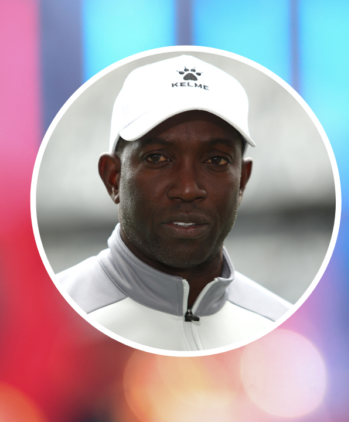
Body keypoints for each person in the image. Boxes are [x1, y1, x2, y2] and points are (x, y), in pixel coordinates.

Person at [58, 55, 291, 352]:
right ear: (113, 177)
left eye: (216, 160)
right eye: (157, 158)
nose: (188, 188)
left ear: (242, 180)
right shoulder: (52, 319)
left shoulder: (278, 326)